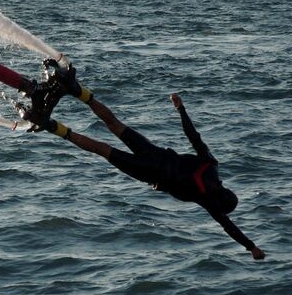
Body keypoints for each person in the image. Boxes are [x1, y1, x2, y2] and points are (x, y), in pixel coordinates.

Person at [18, 60, 265, 260]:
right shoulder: (208, 201)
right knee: (103, 149)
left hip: (155, 153)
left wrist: (181, 109)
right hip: (148, 172)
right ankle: (50, 124)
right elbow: (230, 228)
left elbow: (194, 137)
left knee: (115, 125)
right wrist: (251, 247)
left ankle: (77, 90)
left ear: (227, 188)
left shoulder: (212, 166)